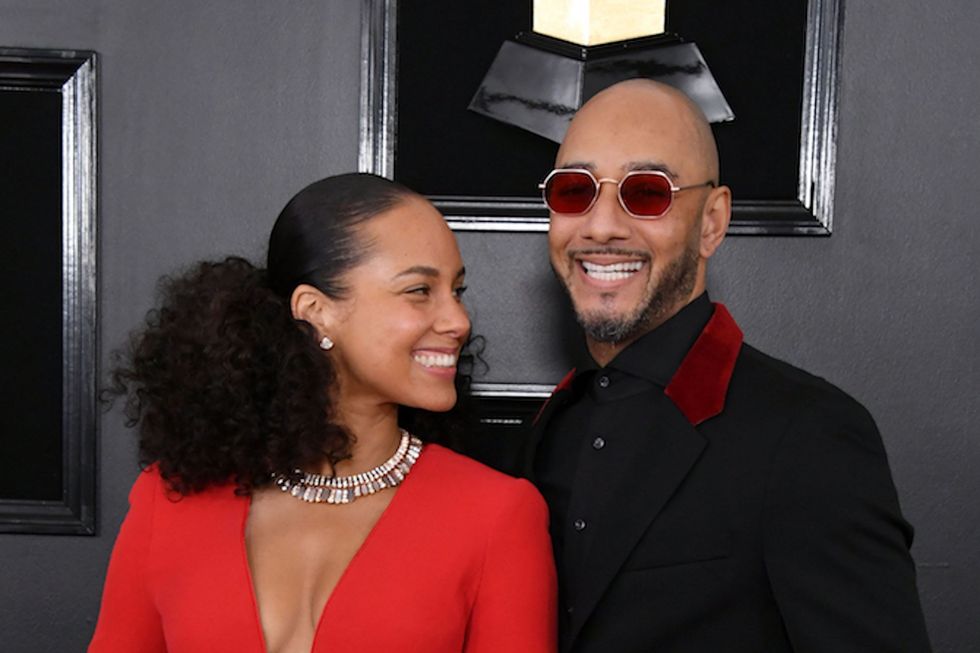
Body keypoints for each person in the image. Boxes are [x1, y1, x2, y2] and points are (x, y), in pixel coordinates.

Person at [525, 80, 932, 652]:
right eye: (575, 191)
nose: (601, 226)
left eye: (647, 192)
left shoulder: (809, 435)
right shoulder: (552, 426)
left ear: (712, 222)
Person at [89, 173, 557, 653]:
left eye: (457, 291)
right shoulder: (168, 499)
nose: (458, 320)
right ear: (315, 310)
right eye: (419, 290)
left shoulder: (497, 515)